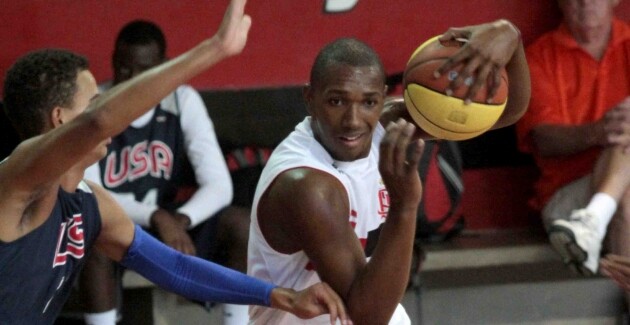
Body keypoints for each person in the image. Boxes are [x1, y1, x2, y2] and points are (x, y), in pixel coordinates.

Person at [0, 1, 351, 324]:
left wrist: (281, 296)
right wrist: (215, 49)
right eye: (93, 101)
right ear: (61, 119)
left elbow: (177, 268)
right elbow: (98, 122)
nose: (104, 108)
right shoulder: (16, 180)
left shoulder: (90, 202)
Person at [247, 20, 530, 324]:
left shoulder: (385, 127)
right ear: (310, 99)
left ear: (382, 98)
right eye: (336, 101)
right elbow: (368, 317)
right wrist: (405, 206)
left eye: (368, 102)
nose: (354, 121)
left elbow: (508, 110)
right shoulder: (306, 186)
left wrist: (511, 38)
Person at [79, 19, 251, 325]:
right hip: (120, 222)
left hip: (173, 219)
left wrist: (180, 220)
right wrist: (157, 216)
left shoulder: (181, 100)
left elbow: (219, 185)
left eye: (144, 71)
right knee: (93, 233)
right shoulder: (96, 106)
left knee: (240, 224)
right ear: (113, 63)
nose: (132, 80)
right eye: (124, 68)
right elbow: (90, 191)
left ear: (164, 67)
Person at [515, 0, 630, 279]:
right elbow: (544, 139)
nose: (586, 2)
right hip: (566, 197)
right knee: (627, 192)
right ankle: (594, 216)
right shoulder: (538, 57)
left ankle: (593, 220)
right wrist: (600, 130)